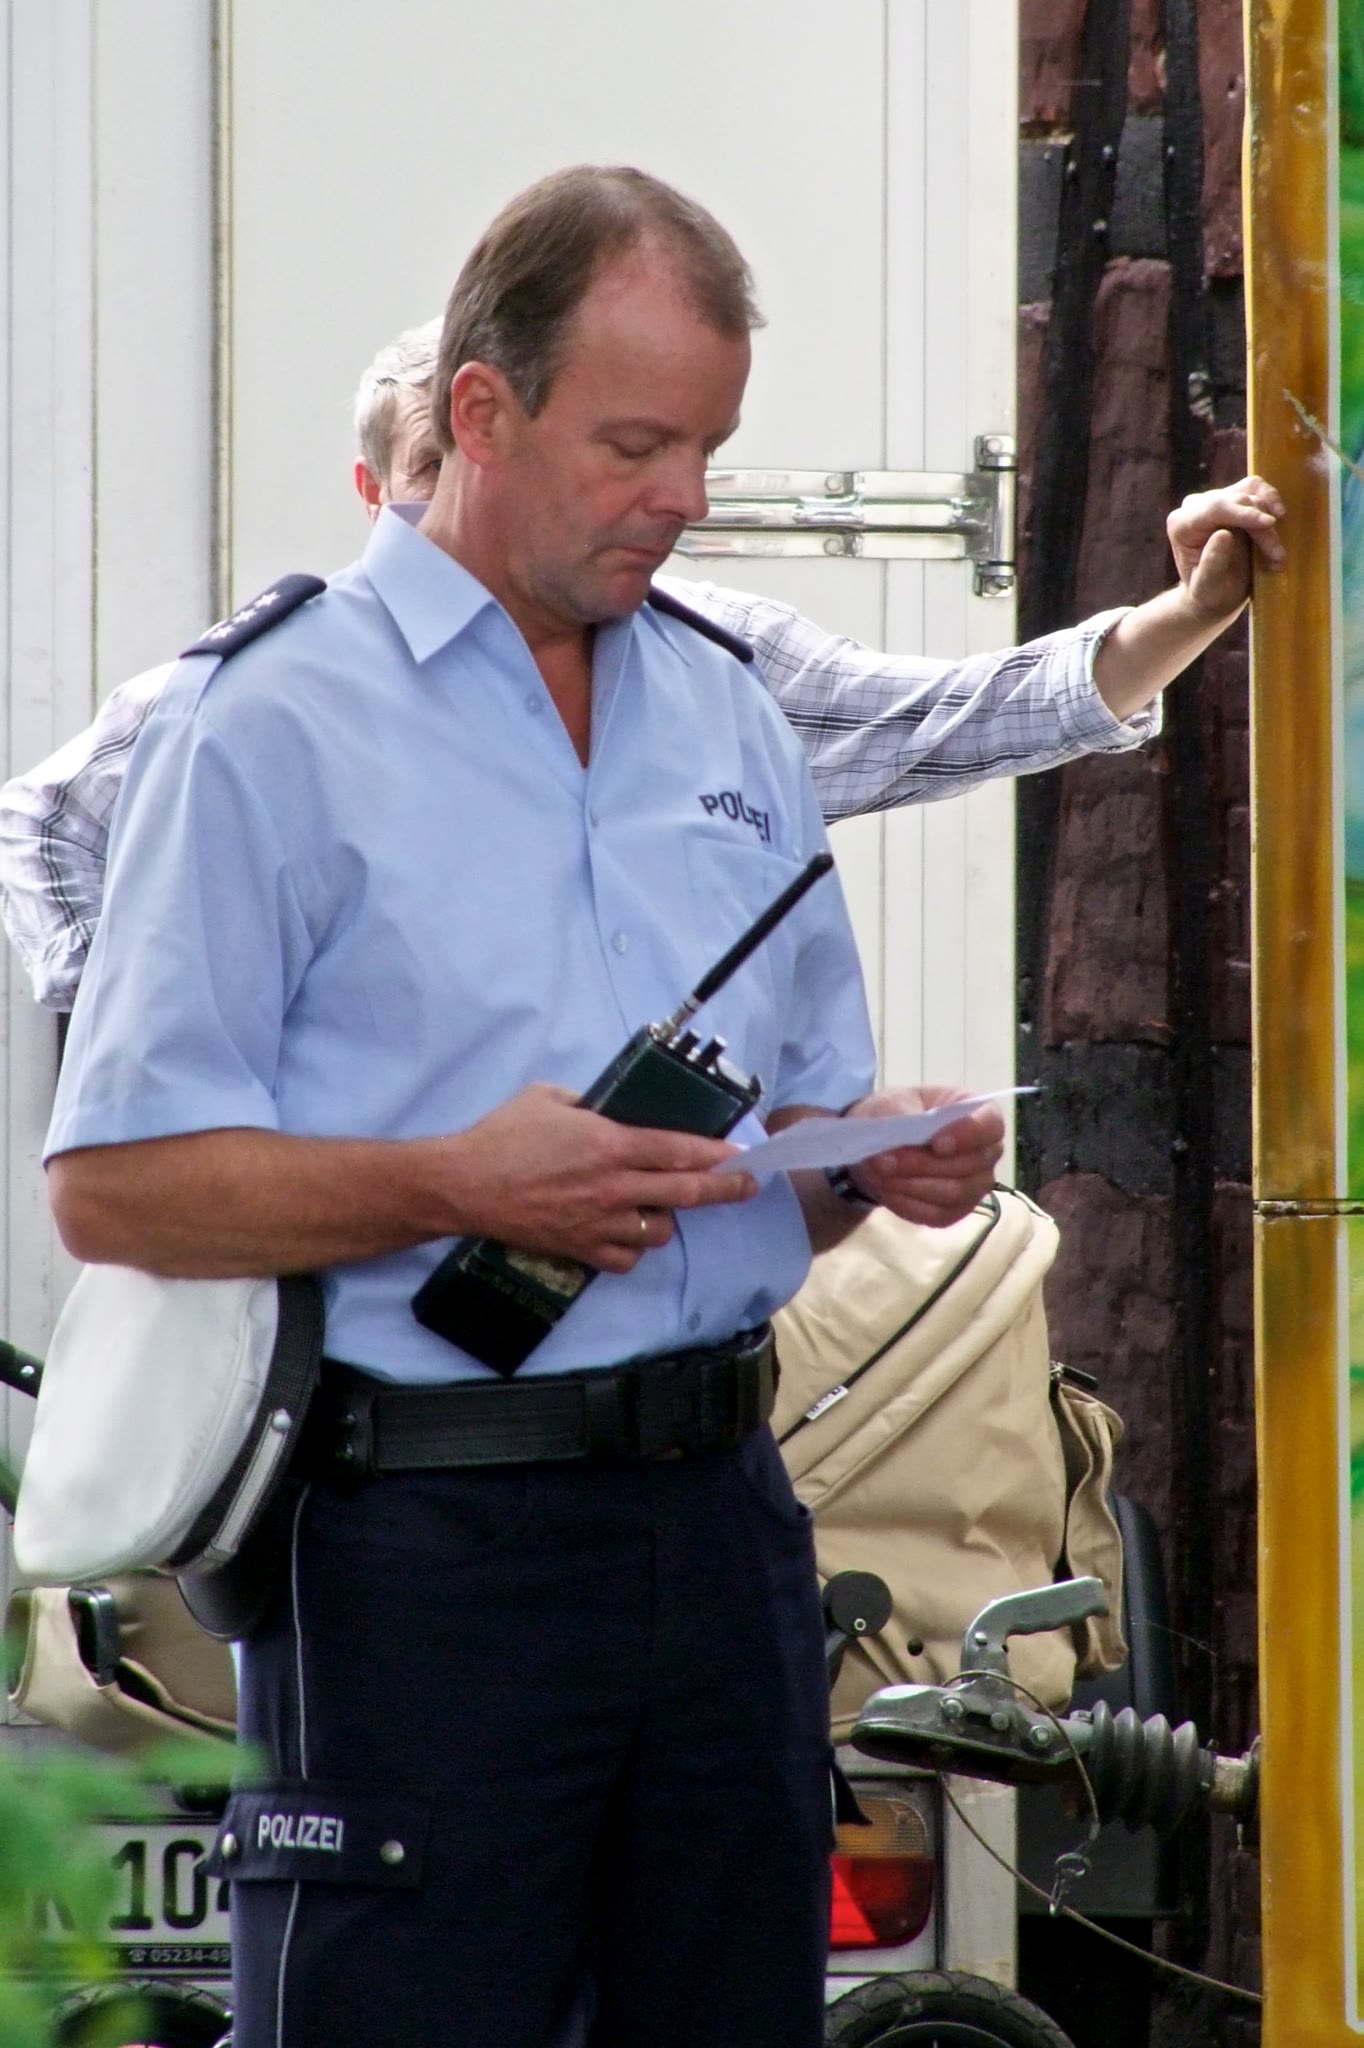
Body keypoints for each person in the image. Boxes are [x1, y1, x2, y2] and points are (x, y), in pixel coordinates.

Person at [43, 165, 1010, 2048]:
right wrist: (452, 1181)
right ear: (479, 411)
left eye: (708, 447)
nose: (685, 496)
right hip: (419, 1551)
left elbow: (769, 1167)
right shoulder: (265, 726)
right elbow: (116, 1187)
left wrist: (867, 1163)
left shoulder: (728, 714)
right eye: (634, 444)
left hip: (724, 1531)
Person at [0, 320, 1283, 1014]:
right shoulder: (286, 685)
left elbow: (950, 716)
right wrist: (135, 1024)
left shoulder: (708, 665)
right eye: (425, 473)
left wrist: (1187, 612)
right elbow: (46, 815)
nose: (461, 505)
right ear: (369, 489)